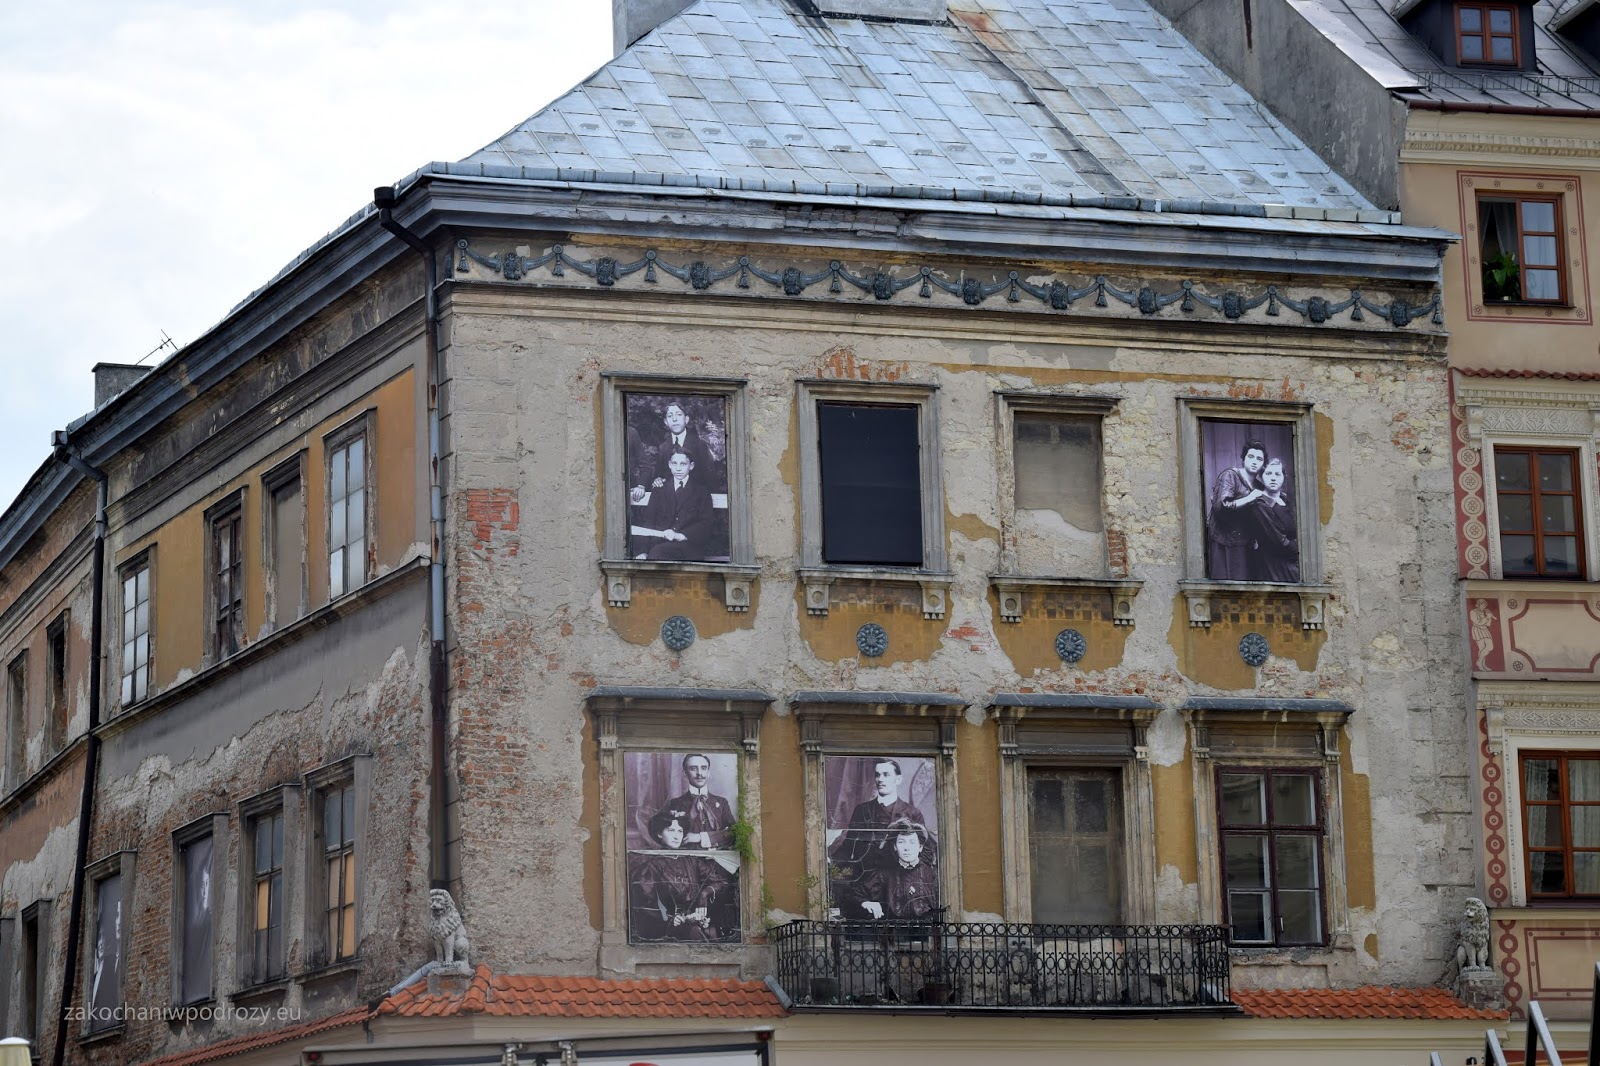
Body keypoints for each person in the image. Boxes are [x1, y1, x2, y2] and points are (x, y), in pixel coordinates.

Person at [828, 759, 931, 908]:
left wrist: (908, 876)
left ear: (898, 779)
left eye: (886, 774)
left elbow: (926, 853)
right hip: (864, 888)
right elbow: (848, 846)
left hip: (898, 888)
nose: (880, 779)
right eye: (877, 775)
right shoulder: (861, 811)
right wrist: (831, 860)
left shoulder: (912, 814)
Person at [630, 807, 736, 942]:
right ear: (659, 834)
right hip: (670, 928)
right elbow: (645, 904)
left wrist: (704, 894)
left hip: (698, 921)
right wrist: (670, 920)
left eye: (680, 831)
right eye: (671, 830)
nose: (676, 836)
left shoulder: (691, 860)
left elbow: (720, 882)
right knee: (694, 934)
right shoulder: (652, 866)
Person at [846, 819, 939, 920]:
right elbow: (853, 895)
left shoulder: (932, 874)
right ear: (895, 846)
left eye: (912, 842)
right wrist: (867, 903)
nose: (907, 848)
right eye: (901, 842)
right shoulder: (883, 874)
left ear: (920, 847)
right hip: (892, 929)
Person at [630, 449, 715, 560]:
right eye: (674, 463)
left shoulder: (701, 491)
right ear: (669, 465)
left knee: (658, 554)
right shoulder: (659, 490)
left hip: (688, 547)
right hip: (660, 545)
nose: (678, 468)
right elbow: (649, 521)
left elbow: (706, 523)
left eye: (683, 464)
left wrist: (681, 535)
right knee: (655, 554)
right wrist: (643, 551)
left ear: (691, 466)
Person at [1206, 438, 1268, 581]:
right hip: (1223, 542)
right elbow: (1221, 506)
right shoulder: (1230, 475)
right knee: (1224, 584)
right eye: (1250, 456)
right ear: (1243, 458)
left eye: (1259, 459)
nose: (1254, 461)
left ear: (1263, 464)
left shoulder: (1259, 486)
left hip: (1246, 543)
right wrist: (1249, 498)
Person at [661, 753, 735, 850]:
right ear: (684, 774)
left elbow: (734, 833)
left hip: (717, 857)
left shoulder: (722, 803)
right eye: (693, 769)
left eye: (703, 768)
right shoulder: (675, 803)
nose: (699, 773)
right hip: (686, 857)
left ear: (708, 773)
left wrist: (700, 837)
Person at [1249, 456, 1299, 582]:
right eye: (1268, 473)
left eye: (1277, 474)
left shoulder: (1286, 501)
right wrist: (1300, 551)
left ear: (1283, 477)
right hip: (1273, 567)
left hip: (1292, 563)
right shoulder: (1260, 504)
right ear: (1261, 477)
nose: (1273, 478)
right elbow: (1279, 542)